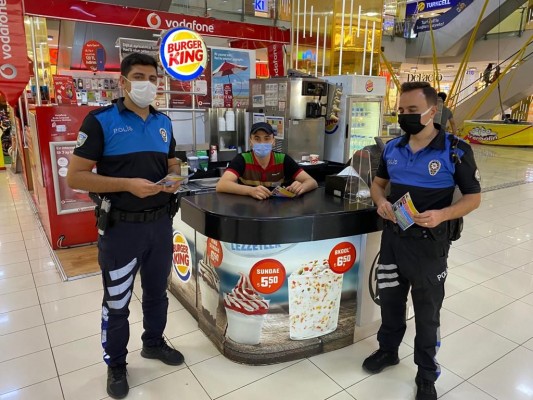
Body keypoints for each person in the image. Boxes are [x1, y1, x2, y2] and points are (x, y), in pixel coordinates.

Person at [67, 53, 184, 399]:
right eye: (139, 77)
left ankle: (153, 343)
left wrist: (174, 177)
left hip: (160, 225)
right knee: (117, 300)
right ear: (123, 81)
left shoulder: (164, 122)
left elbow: (172, 161)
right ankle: (116, 363)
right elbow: (76, 176)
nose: (147, 84)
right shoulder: (100, 121)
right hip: (121, 228)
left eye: (153, 78)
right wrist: (127, 185)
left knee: (157, 293)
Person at [362, 82, 481, 400]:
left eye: (412, 110)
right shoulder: (392, 148)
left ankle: (427, 373)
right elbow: (378, 184)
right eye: (401, 110)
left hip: (430, 245)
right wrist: (380, 201)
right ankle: (388, 350)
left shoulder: (455, 150)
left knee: (427, 312)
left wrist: (444, 214)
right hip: (393, 240)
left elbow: (473, 198)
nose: (405, 116)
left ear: (432, 111)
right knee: (390, 300)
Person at [216, 122, 317, 199]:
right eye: (257, 139)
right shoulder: (242, 159)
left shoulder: (283, 159)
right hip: (248, 212)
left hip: (278, 212)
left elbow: (312, 182)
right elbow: (221, 185)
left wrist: (301, 187)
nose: (262, 143)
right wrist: (250, 191)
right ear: (250, 141)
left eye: (267, 138)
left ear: (273, 141)